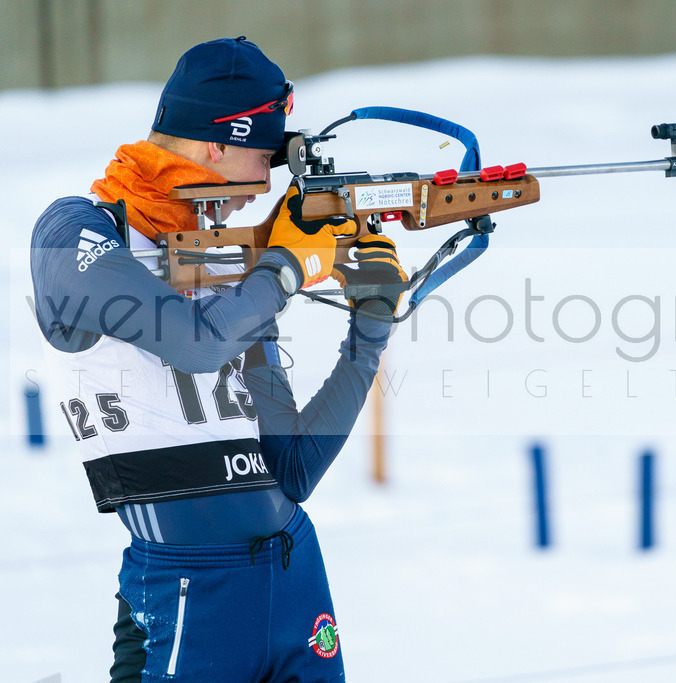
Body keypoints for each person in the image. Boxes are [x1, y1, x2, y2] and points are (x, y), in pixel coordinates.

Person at [30, 37, 403, 682]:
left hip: (296, 578)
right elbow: (197, 343)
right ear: (218, 145)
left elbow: (291, 470)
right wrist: (285, 269)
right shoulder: (76, 232)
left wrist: (371, 327)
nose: (265, 187)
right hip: (187, 588)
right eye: (264, 157)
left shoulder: (225, 261)